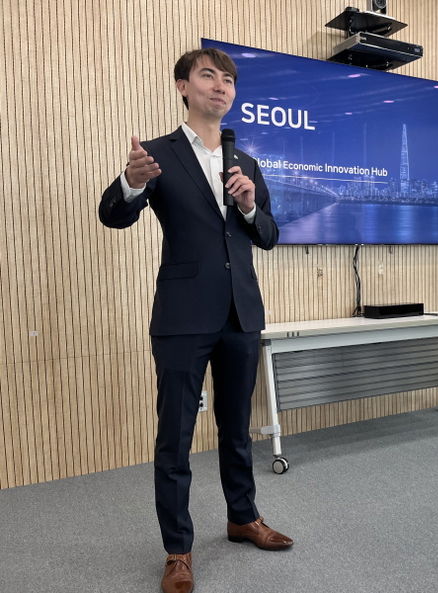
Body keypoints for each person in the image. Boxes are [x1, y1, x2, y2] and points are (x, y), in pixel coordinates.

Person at [99, 48, 292, 593]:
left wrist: (250, 207)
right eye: (209, 75)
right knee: (176, 436)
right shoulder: (156, 155)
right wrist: (131, 182)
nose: (221, 86)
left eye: (228, 79)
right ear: (183, 86)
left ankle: (243, 517)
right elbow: (113, 215)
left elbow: (268, 235)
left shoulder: (245, 161)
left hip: (241, 313)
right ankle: (178, 550)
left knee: (237, 428)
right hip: (183, 315)